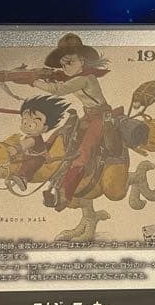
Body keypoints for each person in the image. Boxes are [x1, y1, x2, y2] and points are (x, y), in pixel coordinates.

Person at [32, 34, 112, 212]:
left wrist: (35, 82)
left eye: (70, 62)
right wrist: (51, 76)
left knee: (83, 152)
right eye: (63, 64)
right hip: (89, 116)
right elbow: (63, 79)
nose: (66, 67)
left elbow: (59, 90)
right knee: (61, 135)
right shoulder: (76, 76)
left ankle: (65, 196)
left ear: (82, 60)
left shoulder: (85, 78)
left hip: (101, 117)